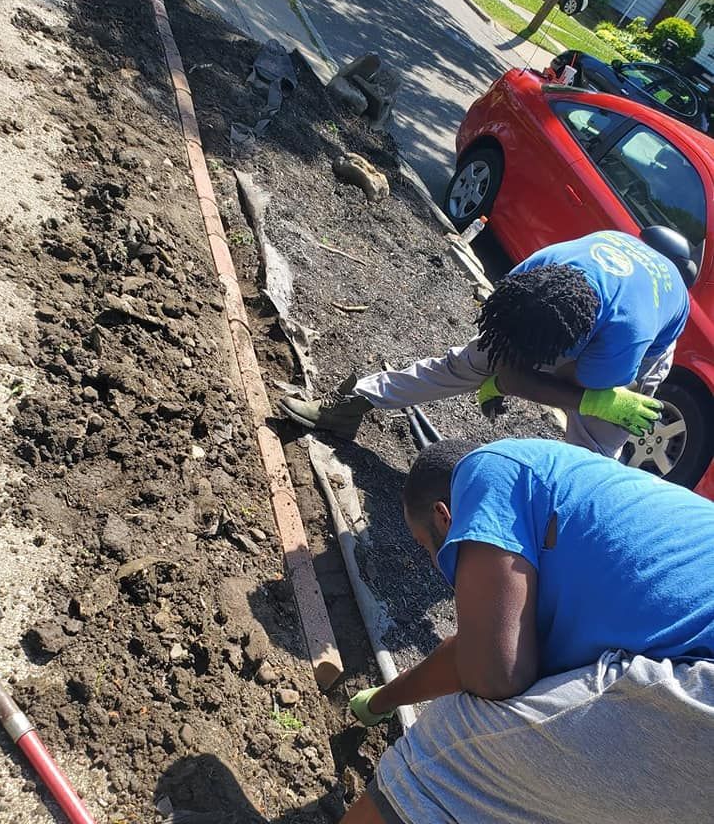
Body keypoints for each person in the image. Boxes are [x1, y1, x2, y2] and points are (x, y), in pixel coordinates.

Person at [342, 437, 714, 824]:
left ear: (444, 516)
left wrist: (384, 701)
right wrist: (384, 700)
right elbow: (476, 652)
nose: (433, 562)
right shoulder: (572, 494)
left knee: (446, 756)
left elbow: (497, 674)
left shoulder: (486, 470)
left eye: (424, 546)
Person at [280, 229, 696, 458]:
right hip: (569, 311)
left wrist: (585, 400)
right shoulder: (538, 273)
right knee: (465, 363)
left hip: (646, 350)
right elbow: (511, 360)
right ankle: (353, 405)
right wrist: (501, 374)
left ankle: (559, 538)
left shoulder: (627, 334)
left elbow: (582, 388)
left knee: (595, 442)